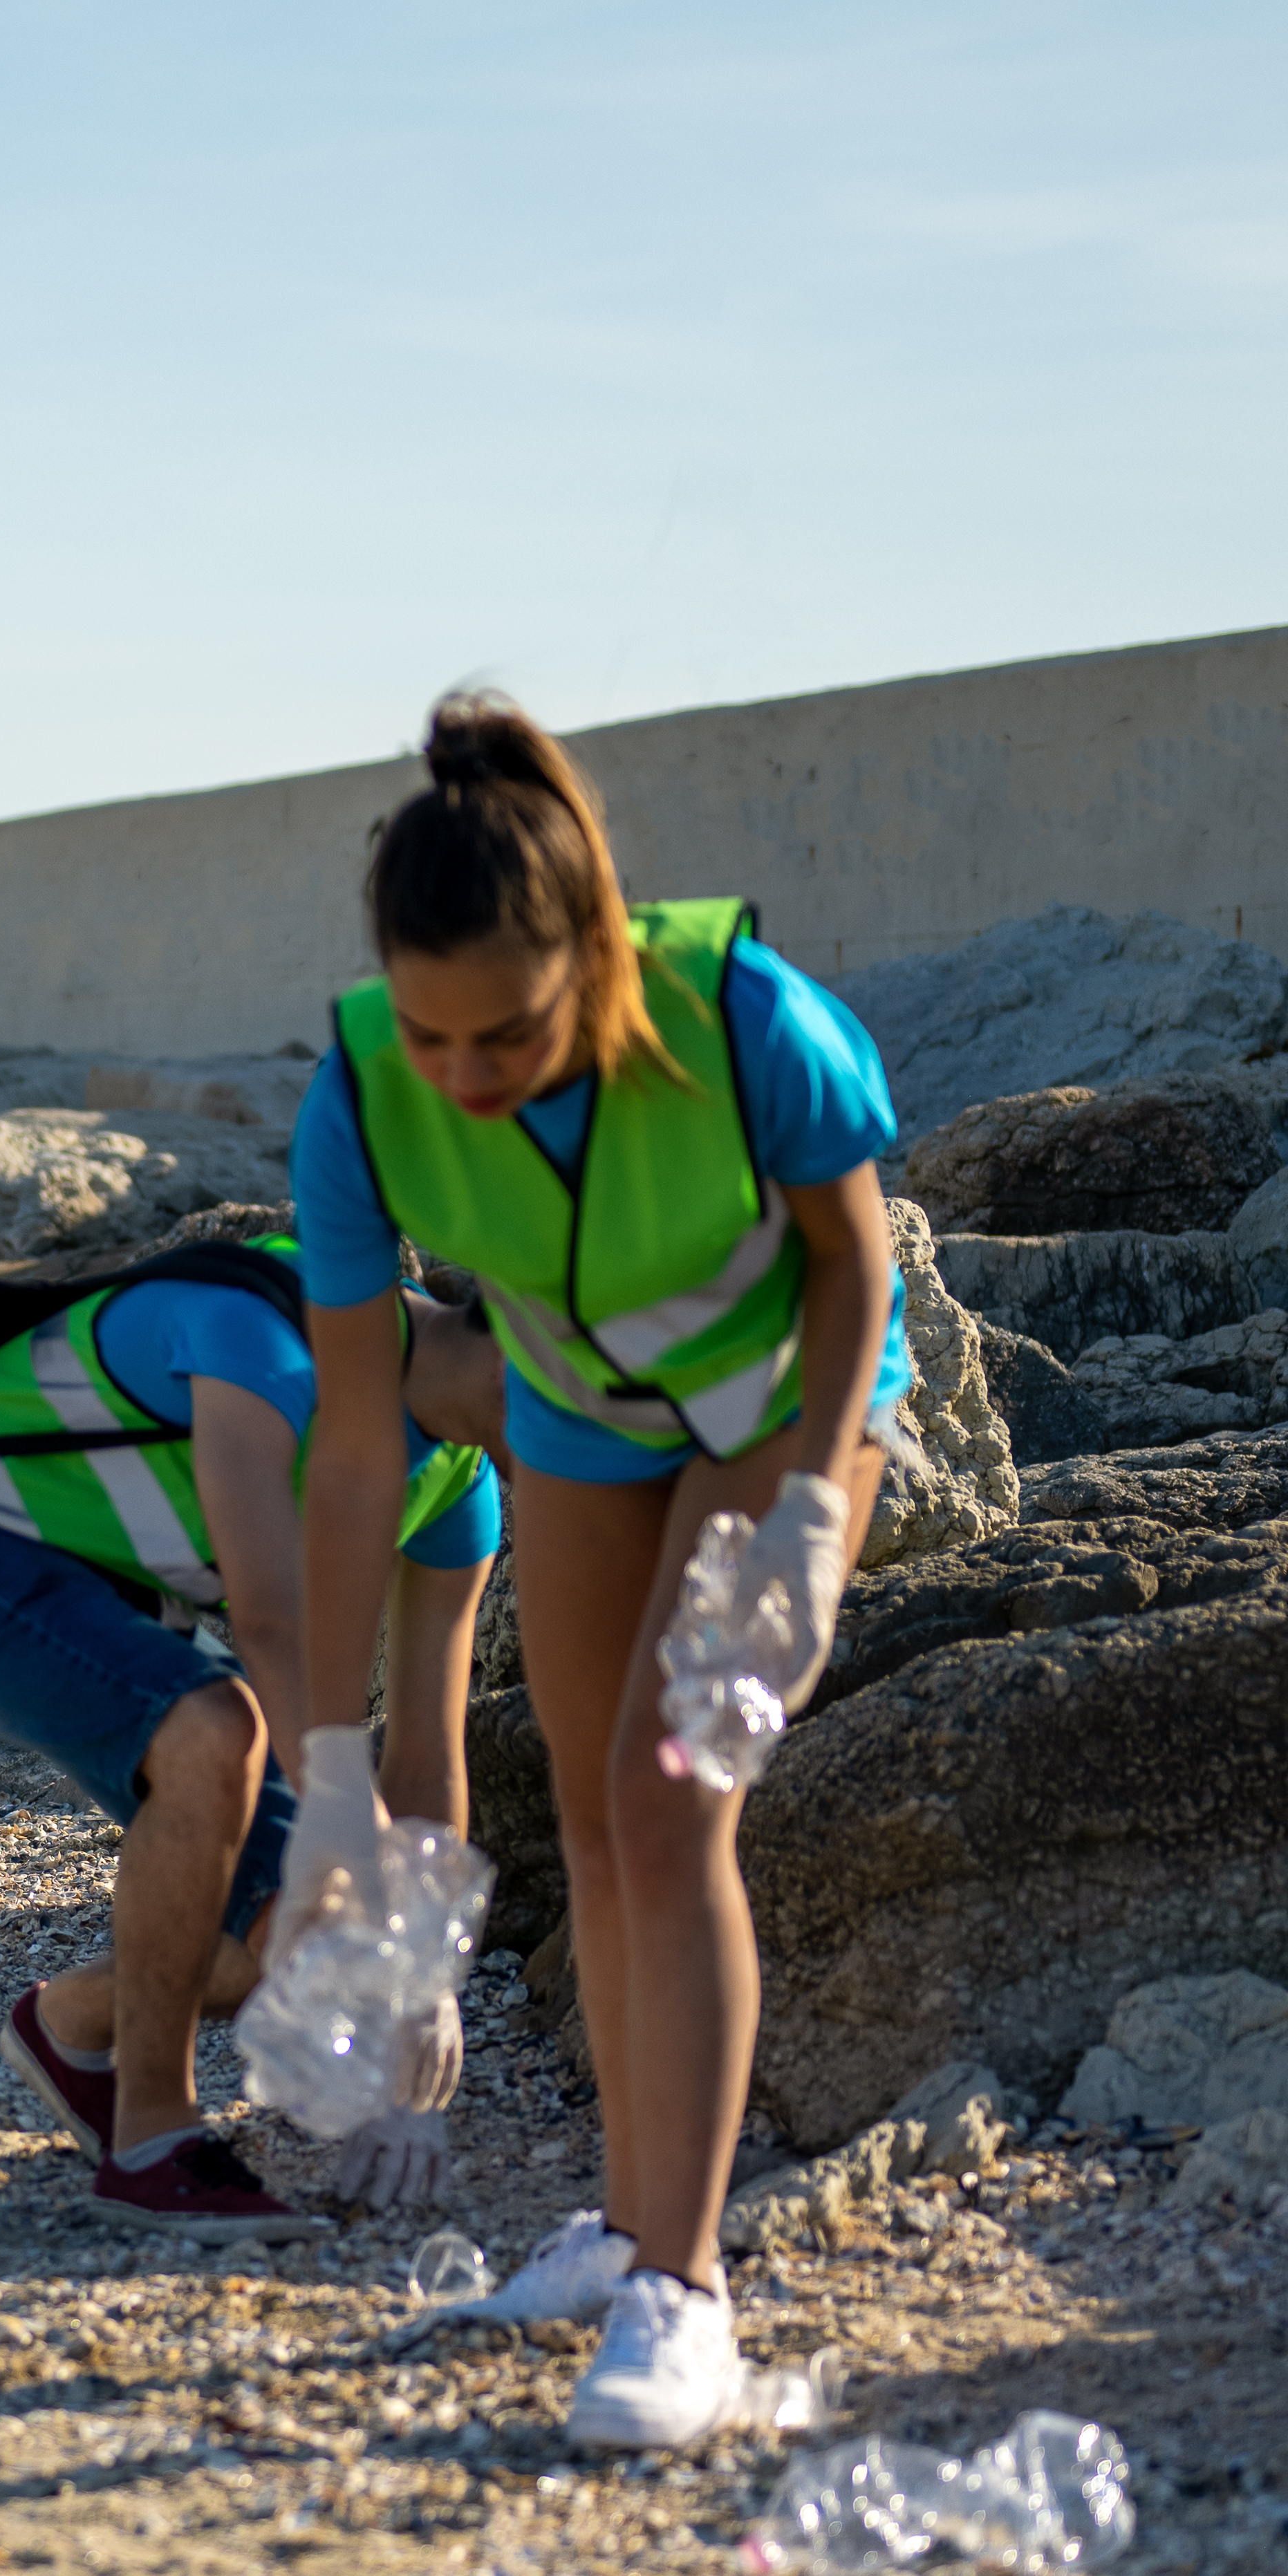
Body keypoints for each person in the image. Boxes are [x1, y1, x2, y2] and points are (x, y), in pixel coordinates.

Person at [287, 691, 912, 2449]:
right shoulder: (359, 1092)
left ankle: (684, 2292)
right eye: (430, 1036)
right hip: (579, 1416)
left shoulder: (740, 1015)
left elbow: (853, 1271)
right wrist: (328, 1767)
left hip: (778, 1408)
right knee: (582, 1803)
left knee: (666, 1800)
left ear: (592, 955)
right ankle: (628, 2220)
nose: (465, 1074)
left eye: (507, 1032)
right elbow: (352, 1440)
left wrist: (809, 1510)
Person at [0, 1244, 519, 2235]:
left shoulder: (459, 1486)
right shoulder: (273, 1339)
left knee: (318, 1937)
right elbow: (267, 1618)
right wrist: (350, 1830)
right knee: (217, 1730)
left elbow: (425, 1752)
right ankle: (151, 2137)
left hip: (127, 1621)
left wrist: (416, 1963)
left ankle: (71, 2028)